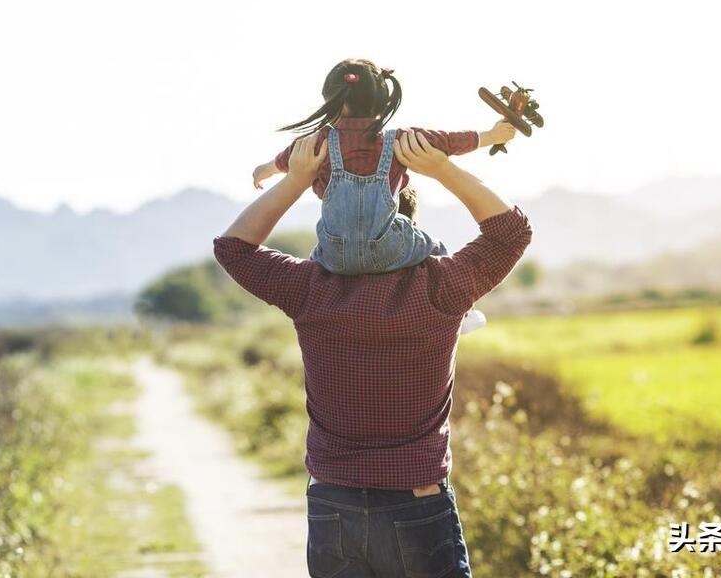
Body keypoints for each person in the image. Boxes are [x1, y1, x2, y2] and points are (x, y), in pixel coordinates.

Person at [214, 129, 532, 578]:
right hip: (417, 501)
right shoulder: (440, 288)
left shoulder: (309, 288)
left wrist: (297, 179)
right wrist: (443, 168)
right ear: (408, 224)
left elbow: (233, 249)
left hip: (333, 501)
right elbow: (510, 233)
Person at [250, 58, 516, 277]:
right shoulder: (399, 140)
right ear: (382, 100)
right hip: (390, 248)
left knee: (313, 263)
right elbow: (448, 141)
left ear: (336, 102)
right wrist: (491, 137)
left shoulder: (318, 141)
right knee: (436, 250)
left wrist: (266, 169)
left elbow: (288, 158)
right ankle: (465, 313)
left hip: (334, 256)